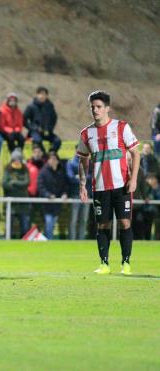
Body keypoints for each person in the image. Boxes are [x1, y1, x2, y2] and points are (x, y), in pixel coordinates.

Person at [77, 90, 140, 275]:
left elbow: (136, 153)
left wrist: (134, 179)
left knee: (124, 223)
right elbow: (83, 160)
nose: (95, 110)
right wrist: (82, 185)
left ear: (107, 108)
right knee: (102, 225)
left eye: (98, 107)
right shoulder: (86, 133)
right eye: (92, 107)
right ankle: (104, 264)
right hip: (100, 187)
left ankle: (126, 263)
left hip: (122, 185)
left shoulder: (121, 127)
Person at [37, 151, 67, 239]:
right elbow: (40, 186)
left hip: (57, 205)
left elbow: (64, 186)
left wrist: (64, 194)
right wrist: (48, 195)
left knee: (52, 225)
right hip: (46, 204)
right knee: (49, 224)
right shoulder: (43, 172)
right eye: (51, 159)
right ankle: (49, 242)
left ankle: (48, 240)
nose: (53, 161)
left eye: (54, 159)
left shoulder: (61, 172)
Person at [2, 148, 31, 237]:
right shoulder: (8, 169)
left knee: (25, 227)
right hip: (12, 205)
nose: (17, 161)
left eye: (19, 159)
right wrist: (20, 186)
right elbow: (5, 184)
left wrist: (14, 182)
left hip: (23, 204)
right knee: (9, 227)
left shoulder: (25, 169)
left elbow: (27, 183)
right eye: (15, 159)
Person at [24, 86, 61, 152]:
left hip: (47, 131)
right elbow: (24, 120)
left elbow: (54, 118)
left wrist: (50, 128)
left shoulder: (50, 106)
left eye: (44, 94)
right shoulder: (31, 106)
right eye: (40, 94)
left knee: (57, 141)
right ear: (37, 95)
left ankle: (51, 155)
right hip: (35, 132)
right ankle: (44, 157)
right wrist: (33, 128)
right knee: (38, 141)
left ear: (46, 95)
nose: (42, 96)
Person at [66, 150, 90, 240]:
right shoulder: (70, 163)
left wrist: (79, 177)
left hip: (86, 196)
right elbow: (70, 177)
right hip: (75, 195)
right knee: (73, 219)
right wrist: (83, 178)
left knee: (84, 220)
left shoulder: (89, 162)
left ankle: (81, 240)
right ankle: (72, 240)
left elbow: (92, 177)